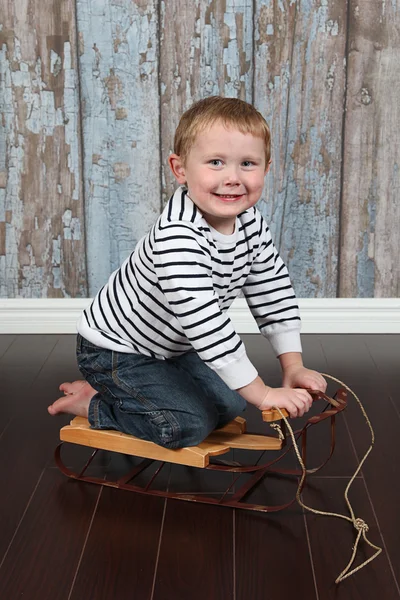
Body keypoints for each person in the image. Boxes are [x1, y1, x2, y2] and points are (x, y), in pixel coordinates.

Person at [48, 96, 327, 449]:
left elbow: (272, 288)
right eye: (215, 162)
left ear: (267, 168)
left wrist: (293, 365)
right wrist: (264, 394)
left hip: (173, 345)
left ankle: (130, 393)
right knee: (185, 425)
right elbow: (207, 326)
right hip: (117, 350)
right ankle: (97, 402)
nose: (233, 178)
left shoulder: (250, 222)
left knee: (229, 404)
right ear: (180, 169)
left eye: (247, 163)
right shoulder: (178, 236)